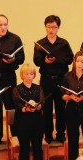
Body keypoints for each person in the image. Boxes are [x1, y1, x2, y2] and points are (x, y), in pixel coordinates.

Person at [34, 15, 74, 144]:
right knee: (46, 108)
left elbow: (69, 59)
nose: (51, 30)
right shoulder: (40, 44)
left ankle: (61, 133)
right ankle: (48, 133)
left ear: (58, 28)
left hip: (61, 79)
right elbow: (36, 61)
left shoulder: (64, 43)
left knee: (61, 107)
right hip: (46, 79)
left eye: (54, 27)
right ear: (45, 27)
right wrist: (45, 60)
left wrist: (57, 59)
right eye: (49, 27)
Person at [12, 63, 45, 160]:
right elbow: (17, 104)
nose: (29, 76)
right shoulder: (17, 89)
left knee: (37, 148)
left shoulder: (38, 88)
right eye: (26, 74)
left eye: (31, 74)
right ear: (22, 75)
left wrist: (38, 106)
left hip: (37, 122)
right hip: (23, 123)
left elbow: (42, 102)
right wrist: (26, 109)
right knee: (24, 148)